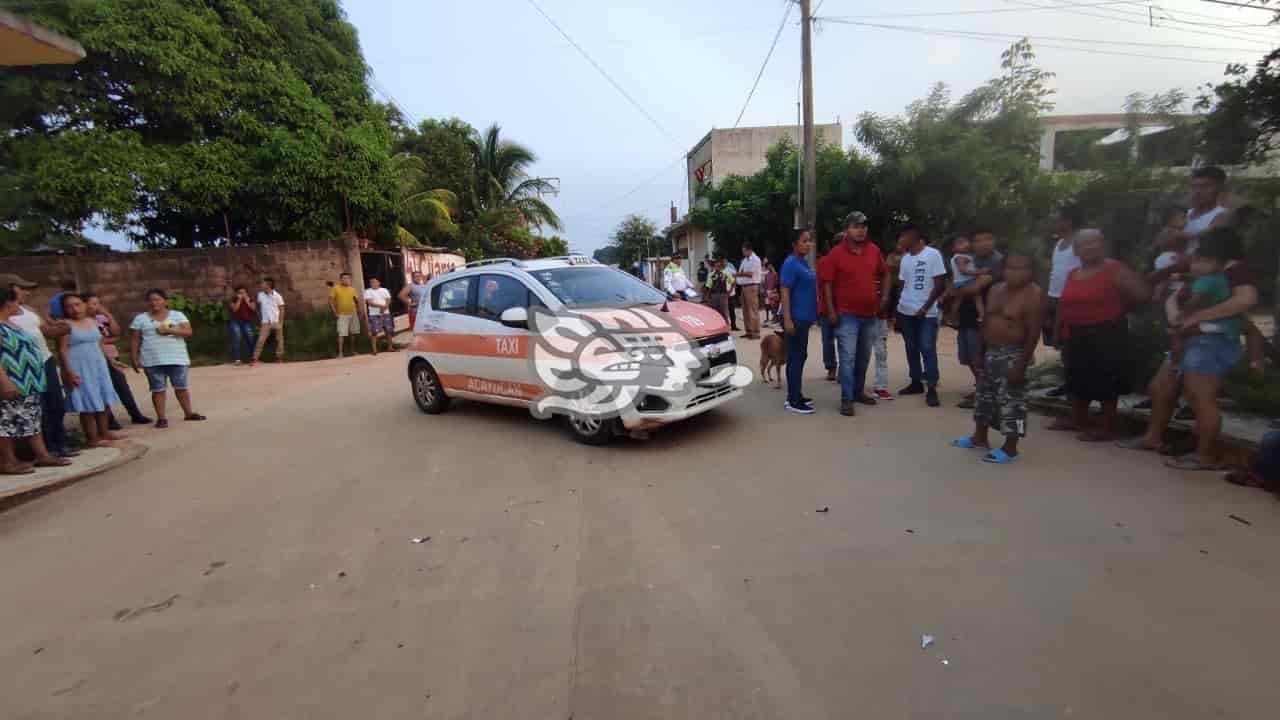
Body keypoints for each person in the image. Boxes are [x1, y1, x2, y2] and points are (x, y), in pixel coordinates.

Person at [1122, 228, 1246, 470]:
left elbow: (1184, 313)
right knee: (1160, 387)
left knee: (1201, 397)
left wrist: (1173, 308)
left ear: (1217, 258)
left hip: (1208, 342)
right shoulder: (1213, 277)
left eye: (1200, 256)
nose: (1193, 260)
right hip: (1193, 340)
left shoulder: (1218, 279)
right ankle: (1153, 437)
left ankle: (1205, 455)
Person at [1053, 229, 1149, 441]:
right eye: (1085, 244)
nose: (1090, 247)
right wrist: (1058, 329)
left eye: (1095, 242)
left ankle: (1107, 426)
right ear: (1077, 250)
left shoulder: (1114, 268)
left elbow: (1141, 294)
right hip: (1076, 332)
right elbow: (1063, 303)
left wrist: (1119, 309)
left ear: (1103, 245)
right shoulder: (1073, 273)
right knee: (1076, 376)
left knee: (1106, 379)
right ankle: (1078, 419)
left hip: (1106, 332)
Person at [951, 255, 1043, 464]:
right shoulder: (995, 290)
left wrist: (1021, 365)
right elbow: (987, 321)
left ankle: (1011, 448)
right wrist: (979, 352)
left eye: (1022, 269)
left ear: (1030, 271)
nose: (1015, 273)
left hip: (1014, 354)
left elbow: (1033, 333)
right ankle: (979, 437)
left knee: (1014, 404)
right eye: (1011, 268)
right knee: (984, 398)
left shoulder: (1034, 295)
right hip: (990, 351)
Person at [822, 211, 890, 417]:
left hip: (870, 314)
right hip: (847, 315)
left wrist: (885, 298)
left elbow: (886, 273)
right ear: (847, 230)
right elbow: (827, 284)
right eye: (856, 226)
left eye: (863, 226)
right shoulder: (836, 253)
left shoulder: (873, 250)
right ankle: (846, 399)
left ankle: (858, 392)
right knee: (848, 357)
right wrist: (832, 311)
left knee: (863, 357)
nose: (861, 230)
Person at [0, 287, 71, 474]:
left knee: (31, 417)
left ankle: (42, 454)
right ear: (7, 303)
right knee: (7, 422)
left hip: (29, 381)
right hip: (12, 380)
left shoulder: (10, 324)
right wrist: (4, 381)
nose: (20, 305)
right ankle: (7, 461)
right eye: (16, 302)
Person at [130, 289, 205, 429]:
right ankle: (162, 418)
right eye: (151, 300)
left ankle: (188, 413)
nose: (154, 303)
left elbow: (188, 331)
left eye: (157, 299)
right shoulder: (140, 318)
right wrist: (134, 357)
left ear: (165, 301)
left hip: (177, 358)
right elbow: (135, 339)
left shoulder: (177, 315)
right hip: (152, 359)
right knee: (158, 389)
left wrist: (170, 331)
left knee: (181, 387)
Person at [58, 294, 123, 448]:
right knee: (87, 403)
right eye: (69, 306)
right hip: (79, 366)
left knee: (103, 400)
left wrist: (110, 361)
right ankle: (92, 438)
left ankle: (104, 432)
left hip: (98, 365)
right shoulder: (64, 325)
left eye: (77, 304)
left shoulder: (92, 321)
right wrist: (68, 371)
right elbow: (62, 350)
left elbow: (99, 344)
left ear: (84, 305)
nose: (75, 309)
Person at [895, 224, 948, 408]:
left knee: (927, 348)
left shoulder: (932, 254)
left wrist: (925, 307)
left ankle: (932, 387)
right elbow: (902, 284)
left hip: (926, 313)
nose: (901, 240)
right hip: (906, 310)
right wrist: (899, 309)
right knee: (911, 348)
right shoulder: (905, 259)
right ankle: (915, 382)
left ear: (914, 236)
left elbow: (939, 284)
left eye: (903, 236)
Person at [952, 230, 1005, 409]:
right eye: (977, 240)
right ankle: (982, 389)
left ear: (994, 240)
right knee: (968, 355)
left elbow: (975, 288)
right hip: (968, 313)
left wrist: (954, 291)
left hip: (988, 315)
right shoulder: (970, 258)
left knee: (979, 355)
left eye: (987, 239)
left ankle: (986, 394)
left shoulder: (997, 261)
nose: (982, 243)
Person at [85, 293, 151, 429]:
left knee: (121, 385)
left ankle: (135, 414)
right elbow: (95, 341)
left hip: (111, 355)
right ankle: (109, 420)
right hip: (93, 357)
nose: (96, 307)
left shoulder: (101, 318)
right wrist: (104, 341)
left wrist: (108, 315)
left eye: (98, 303)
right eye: (93, 303)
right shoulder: (84, 322)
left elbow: (116, 333)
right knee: (102, 388)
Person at [1044, 206, 1084, 398]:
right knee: (1059, 342)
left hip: (1072, 298)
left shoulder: (1080, 241)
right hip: (1055, 295)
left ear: (1068, 221)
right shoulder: (1059, 242)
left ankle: (1075, 385)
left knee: (1072, 343)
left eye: (1058, 219)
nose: (1054, 223)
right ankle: (1068, 382)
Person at [780, 231, 818, 414]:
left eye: (809, 241)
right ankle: (793, 400)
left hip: (804, 318)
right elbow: (785, 291)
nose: (808, 244)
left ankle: (796, 394)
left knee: (800, 356)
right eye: (804, 241)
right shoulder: (790, 264)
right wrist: (787, 319)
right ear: (795, 244)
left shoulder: (802, 263)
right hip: (795, 318)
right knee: (795, 357)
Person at [942, 235, 990, 327]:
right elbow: (963, 271)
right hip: (966, 281)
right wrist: (979, 272)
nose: (965, 245)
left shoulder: (960, 256)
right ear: (953, 248)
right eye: (960, 243)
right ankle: (982, 315)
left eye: (966, 242)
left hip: (961, 282)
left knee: (958, 300)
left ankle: (952, 317)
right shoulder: (960, 257)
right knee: (977, 296)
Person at [817, 235, 842, 383]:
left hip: (844, 308)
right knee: (828, 340)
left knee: (843, 340)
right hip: (827, 308)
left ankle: (843, 370)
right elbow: (821, 285)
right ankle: (831, 367)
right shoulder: (823, 262)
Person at [251, 277, 285, 365]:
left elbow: (282, 309)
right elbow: (257, 306)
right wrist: (259, 317)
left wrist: (280, 322)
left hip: (276, 321)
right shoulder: (260, 295)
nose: (261, 285)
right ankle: (255, 359)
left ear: (268, 285)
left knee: (279, 340)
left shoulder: (278, 296)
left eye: (263, 283)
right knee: (261, 340)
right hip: (265, 322)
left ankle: (279, 358)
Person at [736, 242, 763, 339]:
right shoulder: (744, 260)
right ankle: (748, 331)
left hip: (752, 286)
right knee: (745, 311)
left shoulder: (755, 260)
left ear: (749, 250)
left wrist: (738, 274)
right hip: (743, 286)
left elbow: (749, 274)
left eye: (744, 251)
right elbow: (741, 271)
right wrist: (740, 274)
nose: (743, 253)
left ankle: (755, 332)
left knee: (752, 310)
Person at [332, 273, 361, 357]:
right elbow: (331, 301)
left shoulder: (352, 289)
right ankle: (340, 353)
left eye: (348, 278)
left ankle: (353, 351)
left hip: (353, 313)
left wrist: (358, 310)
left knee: (353, 332)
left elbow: (356, 300)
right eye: (344, 278)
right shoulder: (336, 288)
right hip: (341, 314)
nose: (346, 280)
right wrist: (335, 313)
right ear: (340, 279)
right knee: (341, 333)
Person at [364, 276, 394, 354]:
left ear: (378, 283)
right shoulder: (368, 291)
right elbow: (369, 302)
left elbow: (388, 300)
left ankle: (390, 347)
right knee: (374, 332)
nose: (373, 283)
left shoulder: (384, 290)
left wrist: (384, 308)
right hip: (374, 314)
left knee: (388, 330)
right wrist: (381, 306)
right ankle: (374, 350)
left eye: (374, 282)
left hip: (386, 313)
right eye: (371, 282)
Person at [227, 285, 256, 365]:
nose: (242, 294)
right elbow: (235, 309)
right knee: (237, 337)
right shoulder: (233, 300)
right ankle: (237, 359)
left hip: (246, 321)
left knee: (250, 338)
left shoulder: (250, 299)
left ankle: (252, 358)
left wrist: (247, 300)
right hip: (235, 321)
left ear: (246, 292)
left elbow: (253, 308)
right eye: (240, 293)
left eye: (244, 292)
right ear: (236, 293)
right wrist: (239, 300)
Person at [704, 256, 734, 323]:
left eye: (719, 266)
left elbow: (733, 282)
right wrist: (707, 297)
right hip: (714, 295)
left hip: (723, 295)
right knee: (714, 313)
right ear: (714, 266)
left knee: (724, 313)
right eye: (716, 266)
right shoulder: (711, 274)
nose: (717, 267)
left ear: (721, 266)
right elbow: (708, 286)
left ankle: (726, 327)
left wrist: (729, 292)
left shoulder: (726, 273)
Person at [763, 259, 780, 326]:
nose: (769, 267)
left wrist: (774, 291)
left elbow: (777, 283)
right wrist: (765, 291)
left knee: (774, 306)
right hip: (767, 291)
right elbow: (765, 283)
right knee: (767, 306)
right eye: (768, 266)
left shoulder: (775, 274)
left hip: (773, 291)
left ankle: (775, 318)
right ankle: (767, 318)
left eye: (770, 266)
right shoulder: (766, 275)